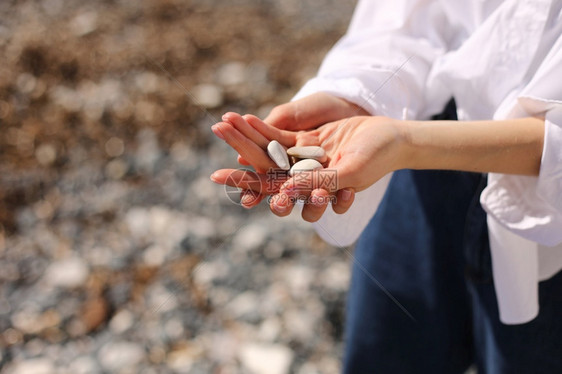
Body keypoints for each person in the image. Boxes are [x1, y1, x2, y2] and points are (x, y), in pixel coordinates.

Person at [210, 1, 562, 372]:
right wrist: (355, 98)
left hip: (546, 225)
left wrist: (404, 142)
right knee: (385, 353)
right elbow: (407, 19)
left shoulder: (401, 143)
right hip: (419, 166)